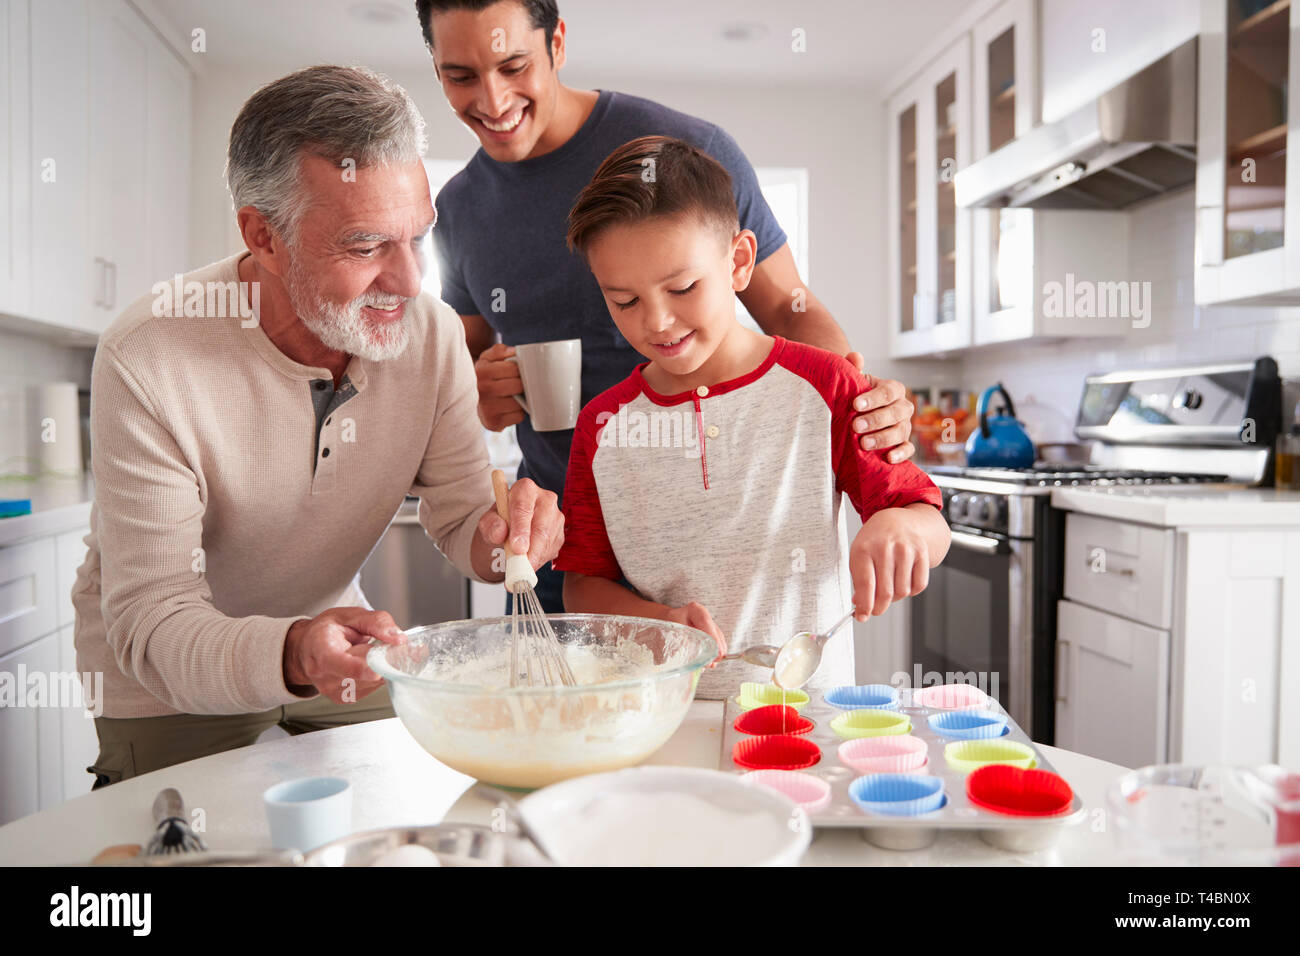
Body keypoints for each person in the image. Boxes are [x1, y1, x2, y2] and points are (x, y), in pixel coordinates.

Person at [72, 66, 564, 785]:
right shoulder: (150, 354)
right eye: (366, 247)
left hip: (332, 633)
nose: (408, 283)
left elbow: (464, 518)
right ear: (262, 236)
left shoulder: (427, 337)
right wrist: (291, 651)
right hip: (167, 674)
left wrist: (507, 541)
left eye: (418, 238)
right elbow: (154, 616)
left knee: (390, 808)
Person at [414, 0, 917, 613]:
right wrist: (478, 394)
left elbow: (789, 310)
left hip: (713, 533)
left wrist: (860, 407)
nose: (492, 101)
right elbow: (460, 371)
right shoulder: (459, 210)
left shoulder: (688, 150)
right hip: (562, 547)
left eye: (513, 65)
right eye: (460, 75)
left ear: (557, 44)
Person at [553, 137, 950, 698]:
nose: (658, 321)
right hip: (663, 719)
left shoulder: (825, 385)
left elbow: (923, 514)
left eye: (683, 287)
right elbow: (583, 585)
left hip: (810, 719)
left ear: (739, 261)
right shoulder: (603, 425)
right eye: (625, 301)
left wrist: (902, 528)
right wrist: (654, 623)